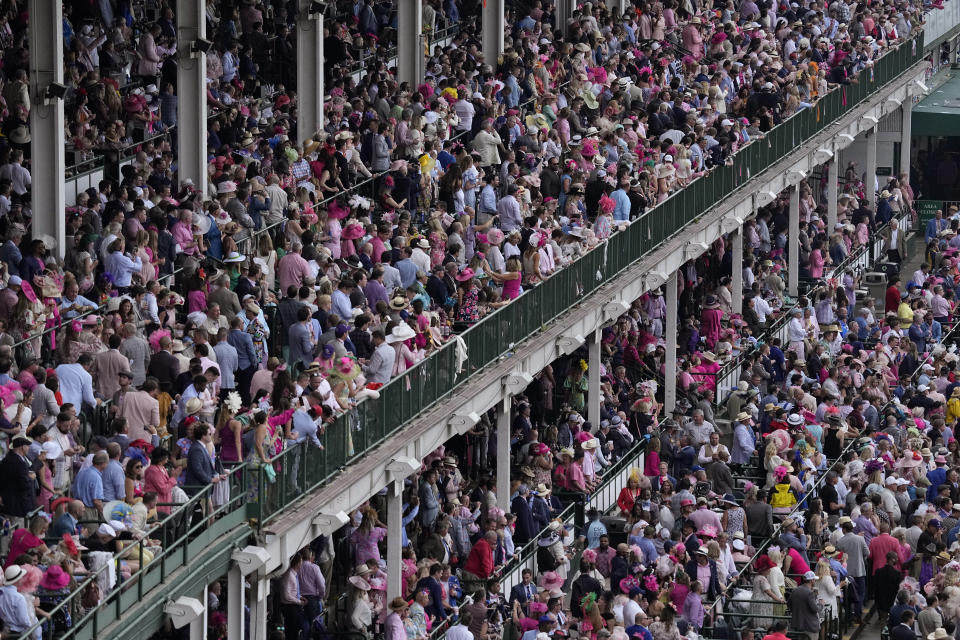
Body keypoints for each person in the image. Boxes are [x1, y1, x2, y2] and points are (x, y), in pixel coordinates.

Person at [789, 571, 821, 640]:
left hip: (798, 625)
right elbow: (815, 609)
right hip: (810, 626)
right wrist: (821, 604)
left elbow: (789, 604)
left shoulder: (795, 590)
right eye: (814, 580)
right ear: (812, 580)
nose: (815, 581)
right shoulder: (809, 593)